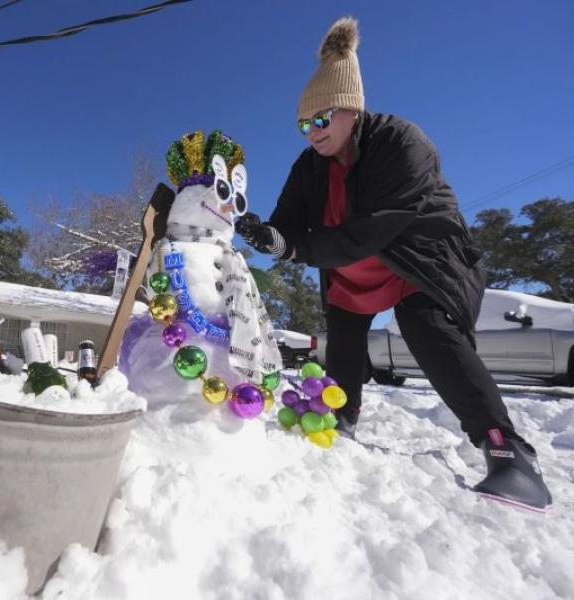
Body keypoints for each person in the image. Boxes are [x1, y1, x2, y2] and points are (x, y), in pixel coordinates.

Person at [235, 16, 552, 511]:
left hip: (421, 258)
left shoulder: (402, 142)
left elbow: (378, 227)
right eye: (303, 124)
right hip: (351, 266)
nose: (312, 132)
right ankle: (341, 416)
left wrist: (298, 247)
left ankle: (508, 452)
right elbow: (290, 223)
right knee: (342, 327)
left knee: (424, 326)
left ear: (352, 109)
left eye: (322, 120)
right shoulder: (308, 166)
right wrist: (273, 237)